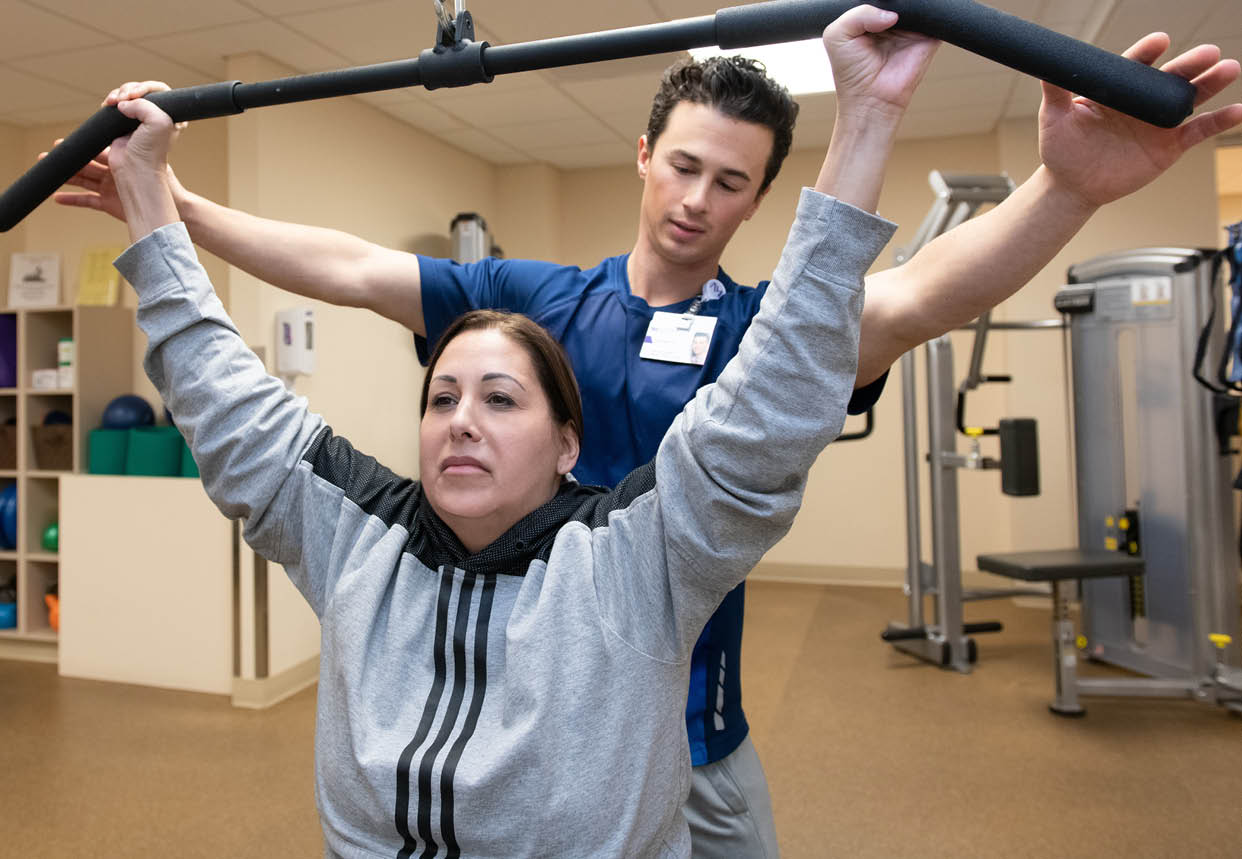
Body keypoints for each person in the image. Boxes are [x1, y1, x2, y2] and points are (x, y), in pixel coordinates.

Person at [53, 9, 1242, 855]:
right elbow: (353, 268)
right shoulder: (536, 309)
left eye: (731, 184)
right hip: (503, 691)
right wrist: (171, 204)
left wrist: (1071, 189)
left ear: (760, 196)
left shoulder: (773, 333)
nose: (695, 200)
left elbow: (922, 297)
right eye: (682, 166)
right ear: (643, 155)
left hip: (689, 729)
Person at [107, 9, 912, 855]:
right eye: (441, 396)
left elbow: (783, 381)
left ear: (569, 444)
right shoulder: (356, 540)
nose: (461, 420)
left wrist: (870, 117)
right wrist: (157, 206)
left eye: (500, 399)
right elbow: (224, 395)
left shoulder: (634, 564)